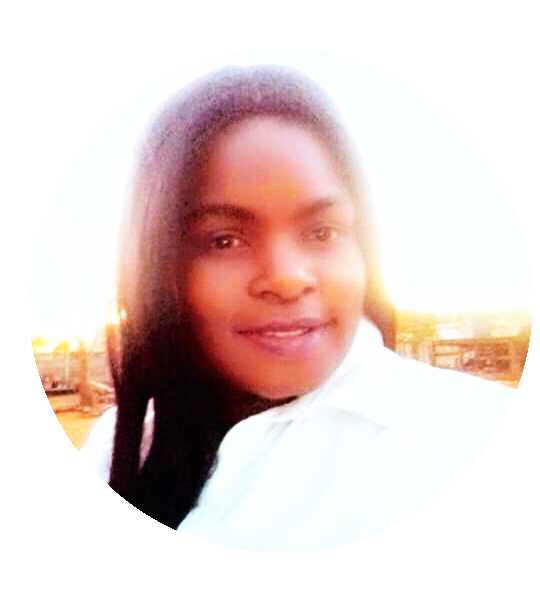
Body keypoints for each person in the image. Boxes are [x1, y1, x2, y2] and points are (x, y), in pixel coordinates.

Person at [81, 65, 513, 552]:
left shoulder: (478, 439)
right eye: (224, 240)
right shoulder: (117, 446)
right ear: (157, 265)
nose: (287, 278)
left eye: (322, 232)